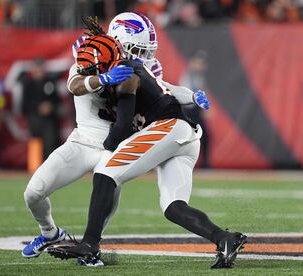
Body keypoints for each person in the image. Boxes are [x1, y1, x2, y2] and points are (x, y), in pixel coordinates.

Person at [47, 22, 246, 269]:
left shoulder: (126, 74)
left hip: (167, 128)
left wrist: (105, 150)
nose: (91, 68)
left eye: (93, 62)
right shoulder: (134, 67)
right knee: (173, 207)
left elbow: (121, 128)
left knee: (106, 171)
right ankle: (224, 238)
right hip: (186, 134)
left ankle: (89, 245)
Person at [21, 13, 209, 266]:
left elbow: (166, 88)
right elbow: (75, 85)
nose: (144, 57)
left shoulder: (141, 67)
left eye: (146, 50)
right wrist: (103, 78)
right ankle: (50, 233)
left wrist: (192, 96)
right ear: (119, 41)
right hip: (82, 141)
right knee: (33, 193)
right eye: (137, 49)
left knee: (107, 186)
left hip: (116, 145)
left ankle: (91, 247)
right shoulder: (91, 54)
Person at [20, 59, 61, 160]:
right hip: (35, 120)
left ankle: (50, 170)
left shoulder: (50, 82)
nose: (39, 70)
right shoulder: (28, 84)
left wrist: (51, 106)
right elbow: (24, 105)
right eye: (37, 68)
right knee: (36, 147)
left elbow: (57, 100)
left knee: (50, 145)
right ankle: (35, 171)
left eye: (41, 68)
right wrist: (38, 108)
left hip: (49, 120)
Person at [180, 50, 210, 168]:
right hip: (188, 109)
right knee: (190, 137)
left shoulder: (198, 75)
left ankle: (204, 163)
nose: (201, 65)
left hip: (194, 109)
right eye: (199, 62)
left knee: (203, 136)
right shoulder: (190, 75)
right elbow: (193, 94)